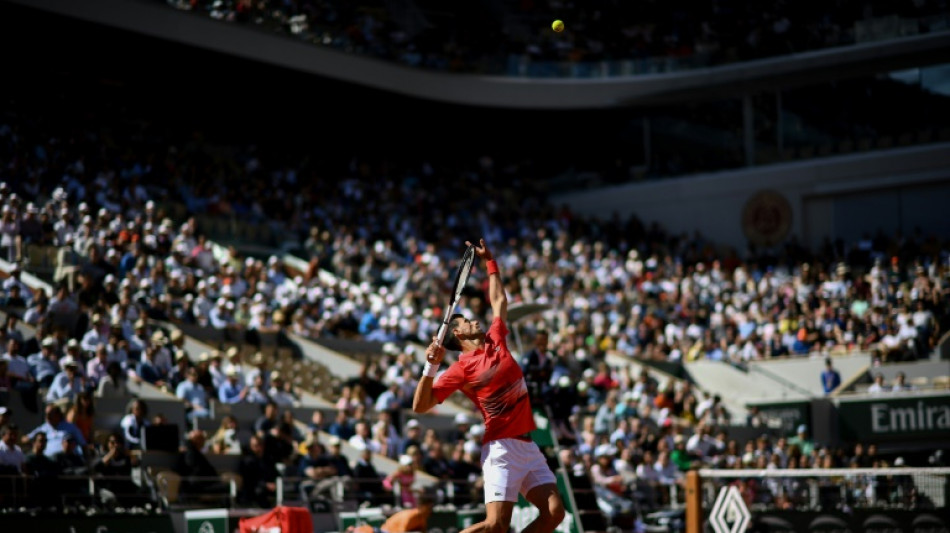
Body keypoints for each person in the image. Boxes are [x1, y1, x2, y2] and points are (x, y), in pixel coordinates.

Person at [413, 239, 566, 533]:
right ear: (456, 333)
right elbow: (420, 405)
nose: (474, 320)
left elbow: (499, 301)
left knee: (554, 513)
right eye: (467, 320)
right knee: (495, 525)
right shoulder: (460, 369)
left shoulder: (496, 339)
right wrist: (430, 367)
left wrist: (491, 263)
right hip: (501, 449)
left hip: (528, 445)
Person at [349, 492, 437, 533]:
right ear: (422, 506)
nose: (431, 509)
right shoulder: (410, 516)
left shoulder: (423, 518)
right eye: (429, 507)